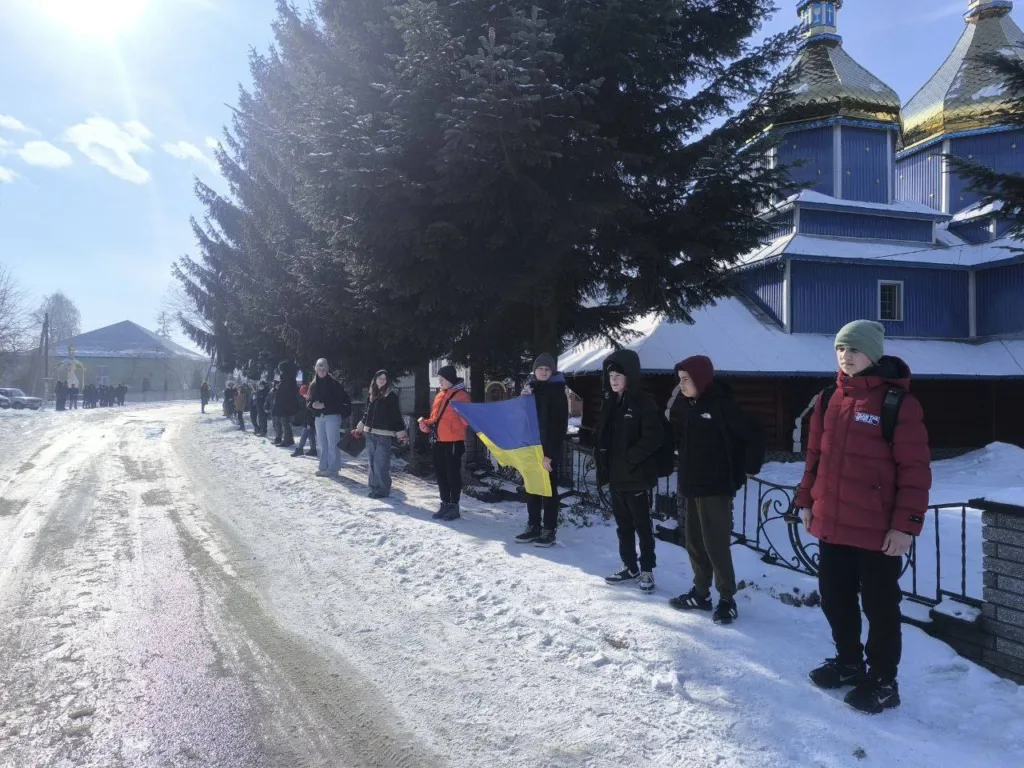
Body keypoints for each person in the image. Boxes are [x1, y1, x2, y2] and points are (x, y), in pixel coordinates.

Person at [796, 320, 931, 714]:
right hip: (833, 524)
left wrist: (906, 526)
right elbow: (815, 458)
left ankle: (884, 680)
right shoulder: (827, 399)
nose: (845, 356)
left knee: (880, 608)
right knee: (835, 600)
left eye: (853, 349)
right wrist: (805, 500)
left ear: (873, 353)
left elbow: (915, 470)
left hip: (877, 533)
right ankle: (851, 662)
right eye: (840, 348)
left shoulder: (897, 404)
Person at [667, 355, 764, 625]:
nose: (682, 385)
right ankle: (700, 593)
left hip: (716, 486)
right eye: (680, 380)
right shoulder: (685, 405)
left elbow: (753, 436)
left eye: (686, 380)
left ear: (700, 379)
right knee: (694, 543)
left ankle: (726, 598)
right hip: (692, 484)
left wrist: (748, 469)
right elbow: (675, 434)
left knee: (716, 544)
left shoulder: (722, 405)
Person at [596, 349, 662, 594]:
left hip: (636, 477)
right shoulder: (611, 403)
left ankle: (647, 570)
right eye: (611, 375)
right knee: (623, 525)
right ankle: (630, 566)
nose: (613, 379)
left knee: (642, 525)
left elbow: (653, 436)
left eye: (618, 375)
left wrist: (631, 457)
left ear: (630, 376)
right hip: (616, 477)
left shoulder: (643, 402)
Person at [514, 353, 569, 548]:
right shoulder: (530, 390)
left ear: (552, 371)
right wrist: (523, 399)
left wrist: (550, 455)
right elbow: (521, 419)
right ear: (535, 371)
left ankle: (549, 530)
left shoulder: (558, 392)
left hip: (547, 451)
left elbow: (559, 427)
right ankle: (533, 526)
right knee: (531, 488)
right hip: (530, 448)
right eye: (540, 369)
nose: (544, 372)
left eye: (547, 369)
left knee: (548, 491)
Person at [419, 366, 470, 520]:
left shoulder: (461, 396)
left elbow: (467, 420)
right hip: (439, 440)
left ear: (449, 379)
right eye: (439, 379)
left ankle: (454, 505)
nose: (439, 381)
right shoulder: (440, 395)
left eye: (442, 379)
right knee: (441, 474)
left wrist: (461, 415)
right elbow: (436, 418)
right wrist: (426, 423)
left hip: (454, 441)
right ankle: (445, 503)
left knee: (452, 474)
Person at [354, 370, 409, 498]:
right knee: (372, 462)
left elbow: (396, 416)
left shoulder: (391, 396)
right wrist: (360, 427)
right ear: (375, 379)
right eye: (380, 378)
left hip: (384, 434)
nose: (382, 380)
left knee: (381, 463)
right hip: (370, 432)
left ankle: (383, 489)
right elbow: (367, 413)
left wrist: (401, 433)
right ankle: (374, 487)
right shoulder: (372, 394)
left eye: (384, 378)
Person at [307, 359, 350, 477]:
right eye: (319, 368)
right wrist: (312, 405)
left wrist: (325, 405)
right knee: (322, 443)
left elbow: (342, 401)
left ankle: (333, 468)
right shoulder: (313, 384)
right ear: (316, 369)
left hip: (332, 416)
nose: (322, 370)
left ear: (327, 369)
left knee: (333, 443)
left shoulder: (334, 384)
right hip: (319, 417)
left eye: (324, 368)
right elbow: (308, 401)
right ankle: (323, 467)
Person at [273, 360, 300, 447]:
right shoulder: (291, 378)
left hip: (283, 404)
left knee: (285, 423)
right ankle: (289, 440)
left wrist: (278, 386)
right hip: (288, 404)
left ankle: (287, 440)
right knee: (286, 422)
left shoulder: (285, 377)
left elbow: (283, 392)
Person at [293, 384, 319, 458]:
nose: (303, 396)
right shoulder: (308, 400)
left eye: (303, 394)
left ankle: (300, 449)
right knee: (311, 436)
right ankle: (313, 450)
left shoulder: (311, 400)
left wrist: (308, 423)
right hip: (309, 422)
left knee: (303, 436)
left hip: (309, 422)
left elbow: (310, 413)